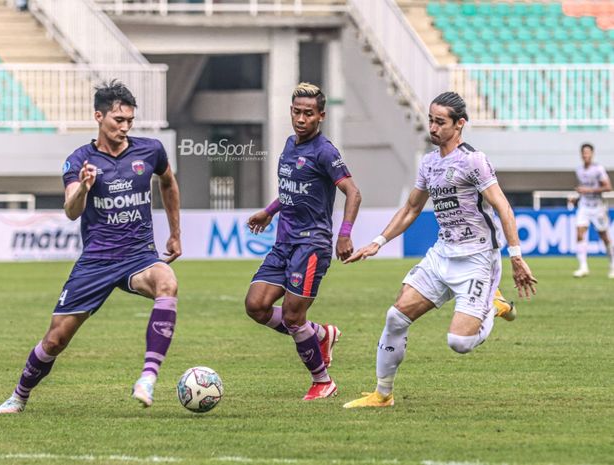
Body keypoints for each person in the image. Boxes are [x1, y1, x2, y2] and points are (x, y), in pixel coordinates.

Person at [0, 80, 182, 413]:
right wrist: (84, 186)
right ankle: (19, 395)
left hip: (139, 257)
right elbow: (71, 211)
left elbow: (168, 181)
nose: (125, 128)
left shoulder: (150, 150)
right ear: (99, 117)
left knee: (167, 282)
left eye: (129, 121)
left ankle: (148, 378)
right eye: (118, 120)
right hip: (96, 262)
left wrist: (174, 233)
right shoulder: (79, 160)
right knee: (55, 340)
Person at [342, 92, 537, 409]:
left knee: (459, 342)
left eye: (440, 122)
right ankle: (382, 394)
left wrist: (516, 256)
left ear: (460, 124)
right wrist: (377, 242)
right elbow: (410, 208)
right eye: (430, 120)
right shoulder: (429, 163)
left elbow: (502, 206)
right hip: (442, 255)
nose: (432, 127)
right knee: (395, 317)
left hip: (477, 259)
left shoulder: (474, 161)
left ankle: (495, 306)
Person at [245, 82, 361, 400]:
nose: (301, 119)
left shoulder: (325, 151)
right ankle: (321, 334)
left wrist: (345, 233)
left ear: (320, 116)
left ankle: (323, 381)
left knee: (295, 316)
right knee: (256, 305)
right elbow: (291, 190)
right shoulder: (289, 144)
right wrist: (269, 212)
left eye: (308, 113)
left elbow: (353, 192)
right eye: (297, 112)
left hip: (312, 244)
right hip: (284, 242)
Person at [572, 143, 613, 278]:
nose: (586, 155)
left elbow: (608, 187)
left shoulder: (598, 169)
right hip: (584, 205)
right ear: (581, 154)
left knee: (604, 236)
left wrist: (588, 190)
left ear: (592, 154)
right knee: (579, 233)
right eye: (584, 153)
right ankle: (583, 267)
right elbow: (583, 190)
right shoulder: (579, 170)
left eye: (588, 152)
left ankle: (612, 264)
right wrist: (576, 198)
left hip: (598, 206)